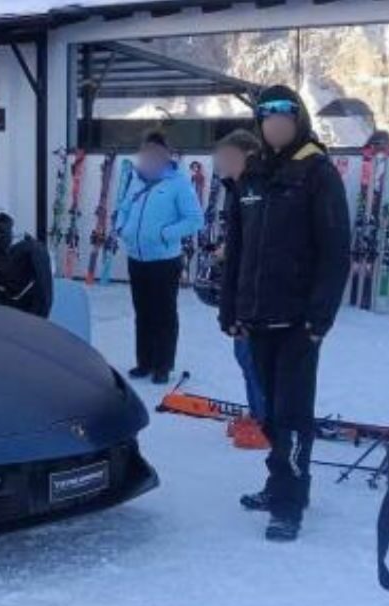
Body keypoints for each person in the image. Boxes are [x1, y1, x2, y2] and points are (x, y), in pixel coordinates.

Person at [219, 85, 351, 542]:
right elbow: (237, 248)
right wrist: (229, 307)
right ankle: (281, 483)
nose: (274, 122)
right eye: (266, 115)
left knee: (292, 414)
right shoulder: (252, 174)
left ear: (298, 119)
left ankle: (290, 503)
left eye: (283, 114)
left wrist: (319, 320)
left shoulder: (316, 172)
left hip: (298, 322)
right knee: (270, 414)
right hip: (256, 317)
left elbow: (336, 251)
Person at [114, 128, 203, 384]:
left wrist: (166, 234)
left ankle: (163, 365)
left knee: (164, 313)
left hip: (165, 261)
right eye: (147, 152)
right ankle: (144, 363)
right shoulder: (135, 179)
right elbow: (123, 207)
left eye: (156, 152)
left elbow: (195, 219)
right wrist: (122, 228)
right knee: (142, 312)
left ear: (165, 155)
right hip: (136, 258)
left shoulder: (178, 183)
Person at [211, 129, 268, 449]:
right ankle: (256, 414)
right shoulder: (237, 189)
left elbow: (262, 240)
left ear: (247, 155)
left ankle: (266, 421)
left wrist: (233, 251)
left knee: (254, 359)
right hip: (239, 288)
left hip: (257, 292)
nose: (221, 164)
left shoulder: (258, 189)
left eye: (227, 157)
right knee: (243, 355)